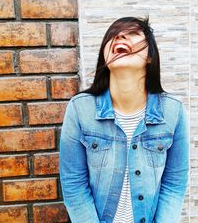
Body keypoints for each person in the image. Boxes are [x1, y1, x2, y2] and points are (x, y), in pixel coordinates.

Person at [59, 16, 189, 223]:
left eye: (133, 34)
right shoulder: (79, 109)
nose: (119, 37)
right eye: (114, 35)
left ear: (150, 57)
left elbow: (174, 185)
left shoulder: (174, 112)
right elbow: (73, 184)